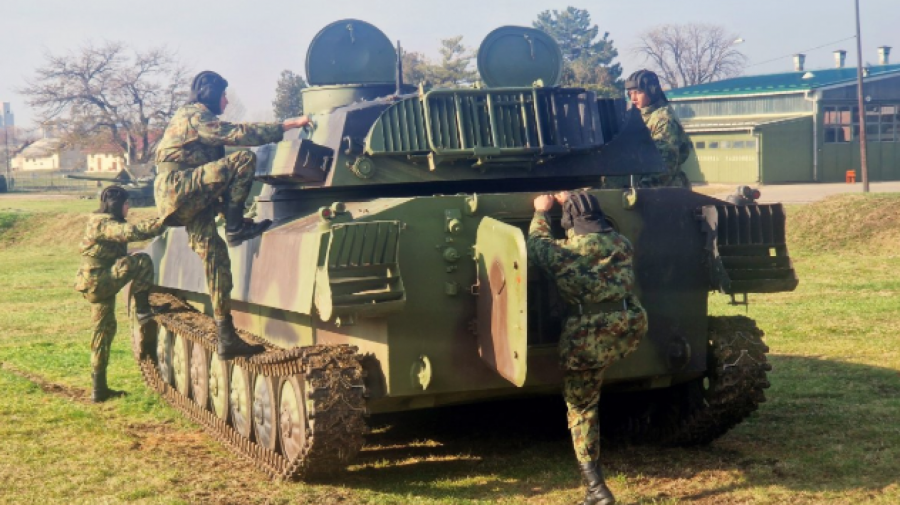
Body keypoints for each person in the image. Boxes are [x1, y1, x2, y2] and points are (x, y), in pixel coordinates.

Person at [154, 70, 310, 360]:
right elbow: (238, 134)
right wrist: (287, 125)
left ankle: (226, 335)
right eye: (223, 95)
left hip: (190, 194)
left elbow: (215, 181)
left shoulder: (197, 120)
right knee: (243, 159)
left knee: (215, 257)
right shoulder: (195, 115)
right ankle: (235, 228)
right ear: (211, 93)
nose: (226, 101)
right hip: (179, 187)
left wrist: (226, 209)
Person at [526, 191, 648, 505]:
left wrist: (541, 212)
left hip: (588, 339)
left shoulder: (564, 252)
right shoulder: (622, 243)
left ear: (570, 224)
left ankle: (597, 489)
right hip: (627, 329)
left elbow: (536, 245)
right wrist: (576, 200)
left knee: (582, 408)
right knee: (593, 384)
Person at [74, 185, 167, 402]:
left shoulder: (99, 220)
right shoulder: (103, 222)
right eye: (126, 204)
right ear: (117, 205)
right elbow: (130, 232)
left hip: (95, 281)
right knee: (142, 261)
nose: (128, 208)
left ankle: (99, 390)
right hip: (100, 281)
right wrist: (163, 222)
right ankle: (143, 310)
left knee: (103, 331)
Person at [625, 69, 692, 187]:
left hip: (666, 189)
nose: (633, 98)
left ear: (652, 92)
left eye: (638, 92)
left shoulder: (663, 119)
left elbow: (666, 162)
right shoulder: (640, 117)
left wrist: (644, 187)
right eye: (630, 93)